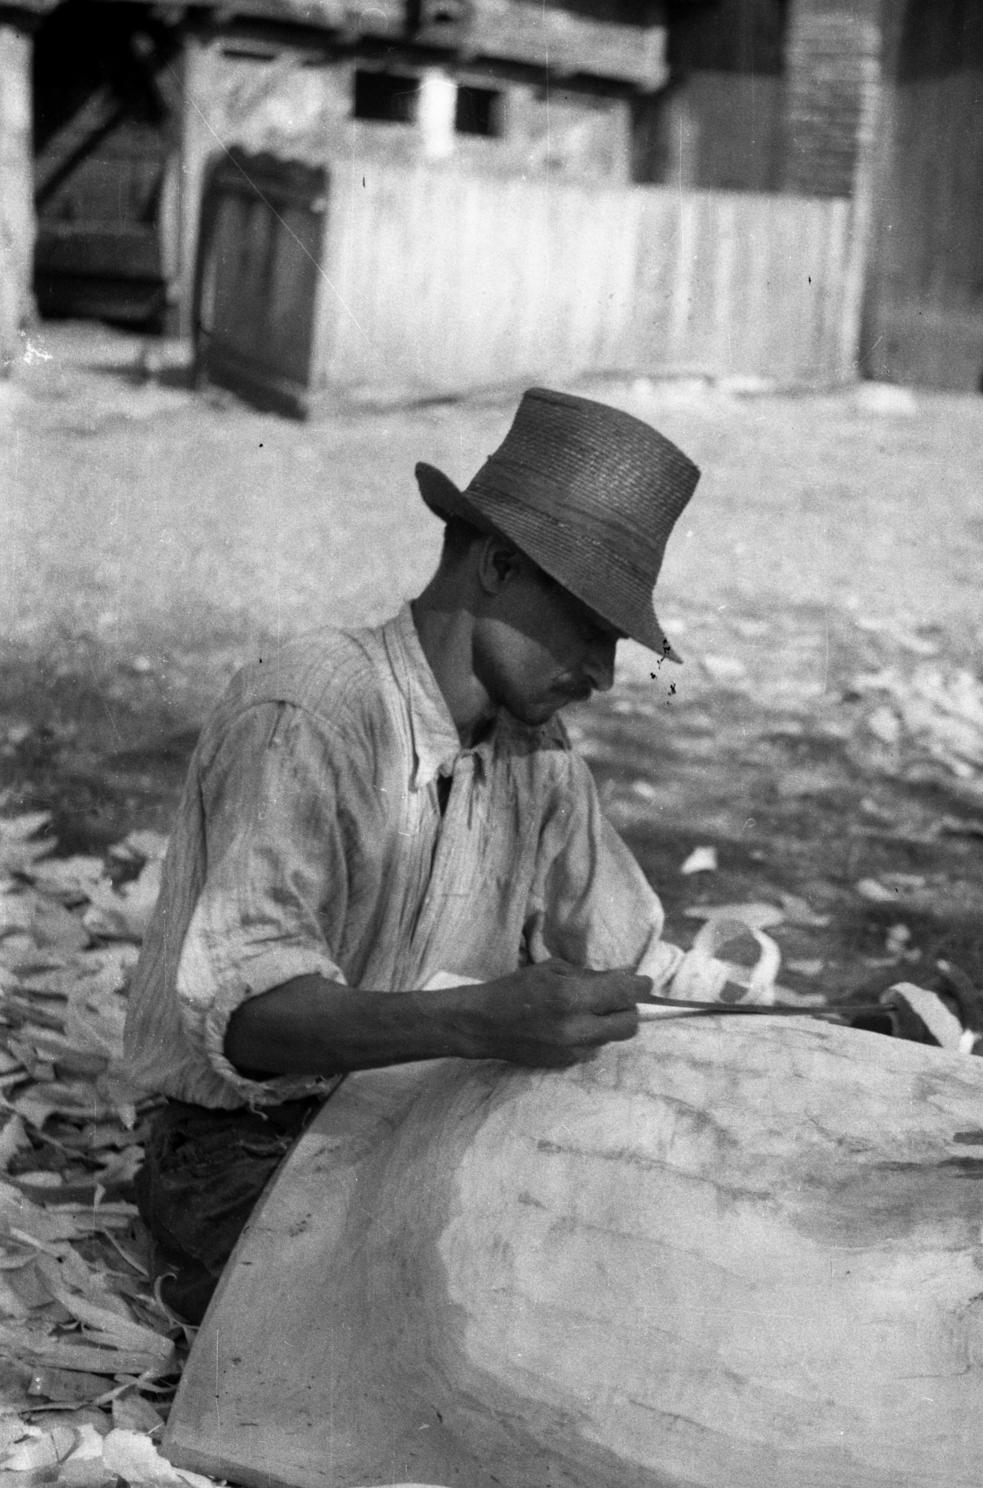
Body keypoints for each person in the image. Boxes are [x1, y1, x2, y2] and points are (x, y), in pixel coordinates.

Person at [124, 387, 758, 1323]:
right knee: (469, 1324)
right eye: (589, 627)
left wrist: (827, 1028)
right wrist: (478, 1021)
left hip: (416, 1119)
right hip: (240, 1148)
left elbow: (633, 960)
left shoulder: (535, 756)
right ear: (498, 564)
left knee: (666, 1261)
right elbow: (253, 1023)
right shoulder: (311, 714)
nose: (604, 675)